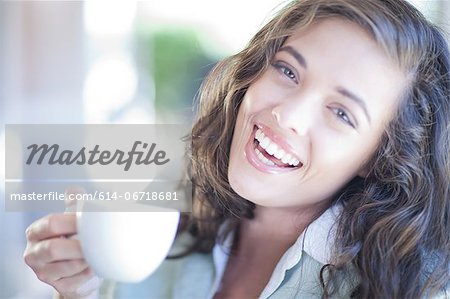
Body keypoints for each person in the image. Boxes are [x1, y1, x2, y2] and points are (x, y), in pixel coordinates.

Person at [24, 0, 450, 298]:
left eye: (341, 114)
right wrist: (77, 290)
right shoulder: (167, 219)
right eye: (287, 69)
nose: (288, 114)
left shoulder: (403, 289)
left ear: (379, 158)